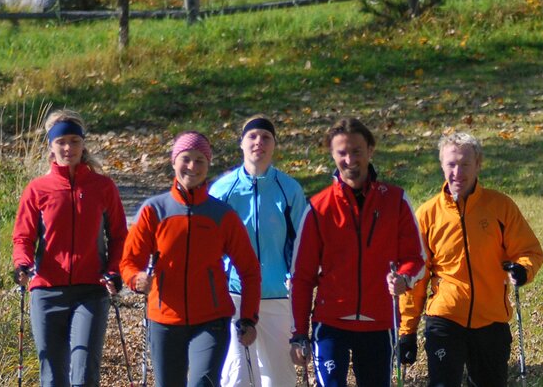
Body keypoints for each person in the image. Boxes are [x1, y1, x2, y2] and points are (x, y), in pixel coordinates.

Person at [398, 132, 543, 387]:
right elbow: (416, 276)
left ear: (478, 165)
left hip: (491, 320)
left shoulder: (500, 206)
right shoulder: (427, 214)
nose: (458, 172)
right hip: (445, 319)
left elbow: (529, 251)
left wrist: (522, 270)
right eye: (451, 164)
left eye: (465, 164)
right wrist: (407, 331)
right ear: (442, 165)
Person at [289, 117, 426, 387]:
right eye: (342, 152)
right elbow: (301, 277)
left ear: (370, 151)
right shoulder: (318, 207)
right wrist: (298, 333)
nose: (349, 159)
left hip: (379, 322)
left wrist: (404, 278)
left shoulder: (395, 200)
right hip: (330, 324)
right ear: (332, 154)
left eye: (356, 151)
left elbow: (416, 259)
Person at [120, 131, 262, 387]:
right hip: (164, 319)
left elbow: (249, 269)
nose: (192, 166)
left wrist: (249, 318)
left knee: (202, 383)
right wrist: (136, 279)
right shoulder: (155, 210)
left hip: (211, 320)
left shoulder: (222, 215)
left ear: (208, 165)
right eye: (186, 158)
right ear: (174, 161)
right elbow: (128, 263)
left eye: (200, 160)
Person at [12, 109, 128, 387]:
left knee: (85, 374)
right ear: (50, 146)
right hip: (46, 291)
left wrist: (114, 271)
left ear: (83, 144)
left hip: (91, 290)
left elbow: (120, 236)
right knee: (52, 377)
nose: (68, 148)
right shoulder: (37, 190)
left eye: (75, 141)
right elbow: (23, 237)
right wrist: (22, 264)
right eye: (61, 141)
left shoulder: (103, 187)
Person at [209, 115, 309, 387]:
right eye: (252, 137)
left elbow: (304, 241)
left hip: (277, 295)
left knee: (279, 378)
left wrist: (299, 280)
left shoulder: (289, 189)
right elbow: (209, 246)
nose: (259, 143)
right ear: (241, 143)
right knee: (236, 376)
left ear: (274, 145)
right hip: (235, 295)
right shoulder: (222, 190)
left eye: (266, 137)